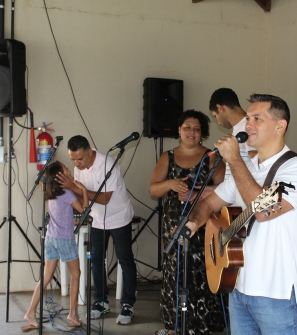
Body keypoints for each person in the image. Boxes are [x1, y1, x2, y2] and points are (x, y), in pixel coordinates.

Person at [186, 94, 297, 335]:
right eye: (247, 118)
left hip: (276, 295)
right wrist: (193, 222)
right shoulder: (246, 170)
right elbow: (209, 203)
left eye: (257, 118)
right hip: (238, 288)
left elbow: (265, 212)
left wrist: (235, 159)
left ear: (280, 126)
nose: (248, 125)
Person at [149, 110, 226, 335]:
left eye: (196, 128)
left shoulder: (211, 156)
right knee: (175, 275)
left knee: (199, 275)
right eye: (187, 127)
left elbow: (225, 191)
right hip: (173, 226)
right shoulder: (168, 157)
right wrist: (171, 184)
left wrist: (200, 196)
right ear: (179, 130)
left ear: (202, 133)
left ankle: (199, 325)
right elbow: (153, 188)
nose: (191, 132)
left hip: (203, 227)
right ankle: (174, 326)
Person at [56, 135, 137, 325]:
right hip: (97, 219)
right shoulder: (78, 168)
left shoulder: (108, 164)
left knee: (125, 259)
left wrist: (75, 189)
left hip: (118, 217)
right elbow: (80, 193)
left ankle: (128, 304)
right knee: (96, 260)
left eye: (80, 159)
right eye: (73, 159)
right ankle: (101, 302)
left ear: (90, 152)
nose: (76, 163)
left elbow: (104, 198)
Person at [22, 161, 87, 331]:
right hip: (65, 239)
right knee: (76, 274)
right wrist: (84, 192)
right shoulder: (67, 193)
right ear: (60, 176)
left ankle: (30, 312)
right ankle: (73, 314)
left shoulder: (51, 194)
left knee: (46, 276)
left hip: (51, 238)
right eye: (66, 169)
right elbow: (83, 210)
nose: (69, 170)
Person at [209, 87, 257, 190]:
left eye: (215, 115)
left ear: (220, 108)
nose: (218, 122)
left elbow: (258, 162)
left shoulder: (249, 127)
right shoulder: (238, 129)